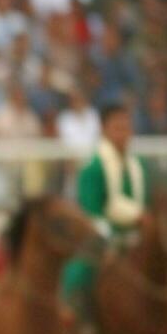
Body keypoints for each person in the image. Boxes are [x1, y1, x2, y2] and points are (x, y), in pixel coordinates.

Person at [62, 102, 146, 319]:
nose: (123, 134)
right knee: (79, 274)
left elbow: (145, 205)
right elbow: (92, 214)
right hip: (104, 242)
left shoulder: (138, 167)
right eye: (117, 128)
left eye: (126, 128)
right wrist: (112, 241)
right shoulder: (92, 169)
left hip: (137, 240)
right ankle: (76, 320)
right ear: (104, 130)